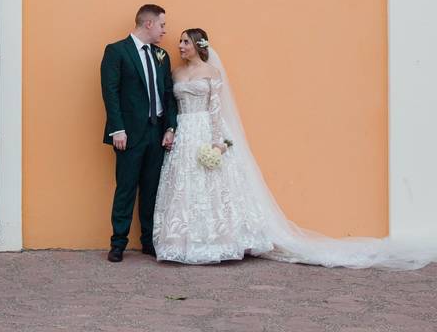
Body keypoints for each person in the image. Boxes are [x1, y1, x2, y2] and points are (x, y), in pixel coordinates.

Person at [152, 28, 437, 269]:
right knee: (184, 186)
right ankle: (182, 241)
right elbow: (172, 106)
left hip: (205, 130)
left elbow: (216, 109)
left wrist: (217, 142)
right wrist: (172, 130)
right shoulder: (175, 73)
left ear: (199, 46)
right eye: (179, 41)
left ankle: (216, 241)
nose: (180, 46)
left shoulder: (211, 72)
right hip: (185, 132)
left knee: (212, 187)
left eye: (186, 41)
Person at [100, 4, 178, 262]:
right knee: (126, 188)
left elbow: (168, 93)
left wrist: (170, 127)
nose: (164, 30)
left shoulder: (162, 56)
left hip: (156, 133)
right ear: (149, 24)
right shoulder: (116, 51)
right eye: (162, 25)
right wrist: (117, 130)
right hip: (129, 134)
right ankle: (118, 243)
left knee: (151, 189)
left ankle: (149, 241)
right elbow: (110, 93)